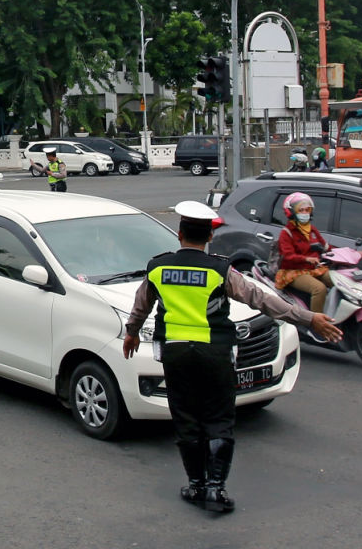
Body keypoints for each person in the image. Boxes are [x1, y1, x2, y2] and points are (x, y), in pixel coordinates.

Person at [122, 201, 342, 513]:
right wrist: (309, 318)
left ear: (180, 234)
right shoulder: (220, 270)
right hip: (215, 354)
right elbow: (262, 300)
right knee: (218, 420)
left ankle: (195, 485)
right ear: (208, 238)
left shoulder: (158, 268)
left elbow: (141, 305)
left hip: (175, 353)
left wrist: (132, 333)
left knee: (186, 420)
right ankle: (216, 489)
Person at [274, 192, 333, 313]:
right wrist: (306, 259)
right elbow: (288, 256)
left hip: (314, 269)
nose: (305, 213)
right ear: (291, 212)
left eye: (308, 210)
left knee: (339, 281)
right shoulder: (286, 232)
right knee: (319, 289)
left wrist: (351, 253)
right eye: (301, 210)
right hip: (293, 272)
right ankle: (316, 323)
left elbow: (326, 247)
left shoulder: (312, 229)